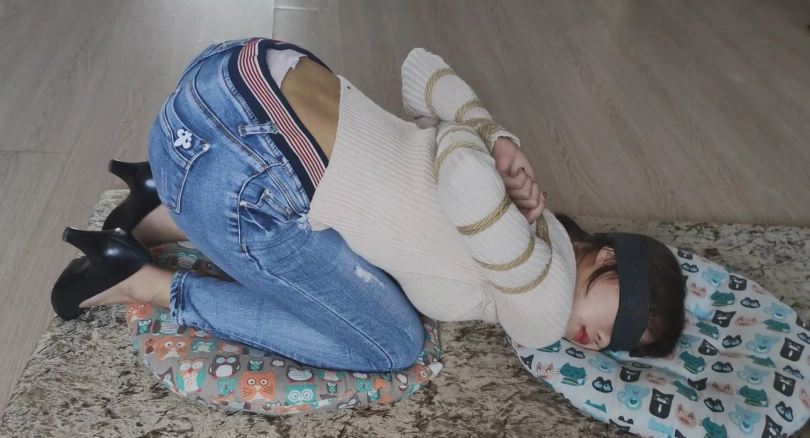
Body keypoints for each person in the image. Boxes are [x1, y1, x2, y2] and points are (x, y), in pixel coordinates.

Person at [51, 38, 686, 373]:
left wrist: (494, 134)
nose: (596, 340)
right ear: (609, 258)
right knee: (389, 342)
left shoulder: (529, 213)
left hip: (235, 72)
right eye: (624, 318)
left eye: (615, 345)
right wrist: (481, 144)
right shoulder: (542, 304)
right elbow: (464, 174)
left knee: (366, 265)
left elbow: (419, 68)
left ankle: (161, 206)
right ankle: (142, 280)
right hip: (235, 166)